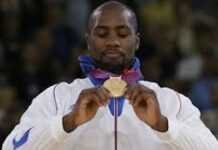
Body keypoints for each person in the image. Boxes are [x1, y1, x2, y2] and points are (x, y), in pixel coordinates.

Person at [2, 1, 218, 150]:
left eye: (123, 34)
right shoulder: (58, 97)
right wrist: (66, 123)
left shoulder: (170, 101)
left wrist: (163, 125)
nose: (113, 41)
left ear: (137, 41)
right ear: (88, 41)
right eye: (102, 33)